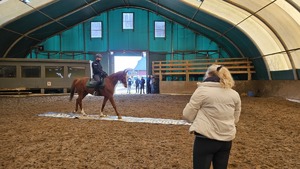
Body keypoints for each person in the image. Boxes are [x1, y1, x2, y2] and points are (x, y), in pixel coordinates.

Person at [182, 64, 241, 169]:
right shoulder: (234, 94)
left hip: (205, 139)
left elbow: (187, 115)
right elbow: (235, 118)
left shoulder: (202, 91)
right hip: (226, 140)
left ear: (209, 75)